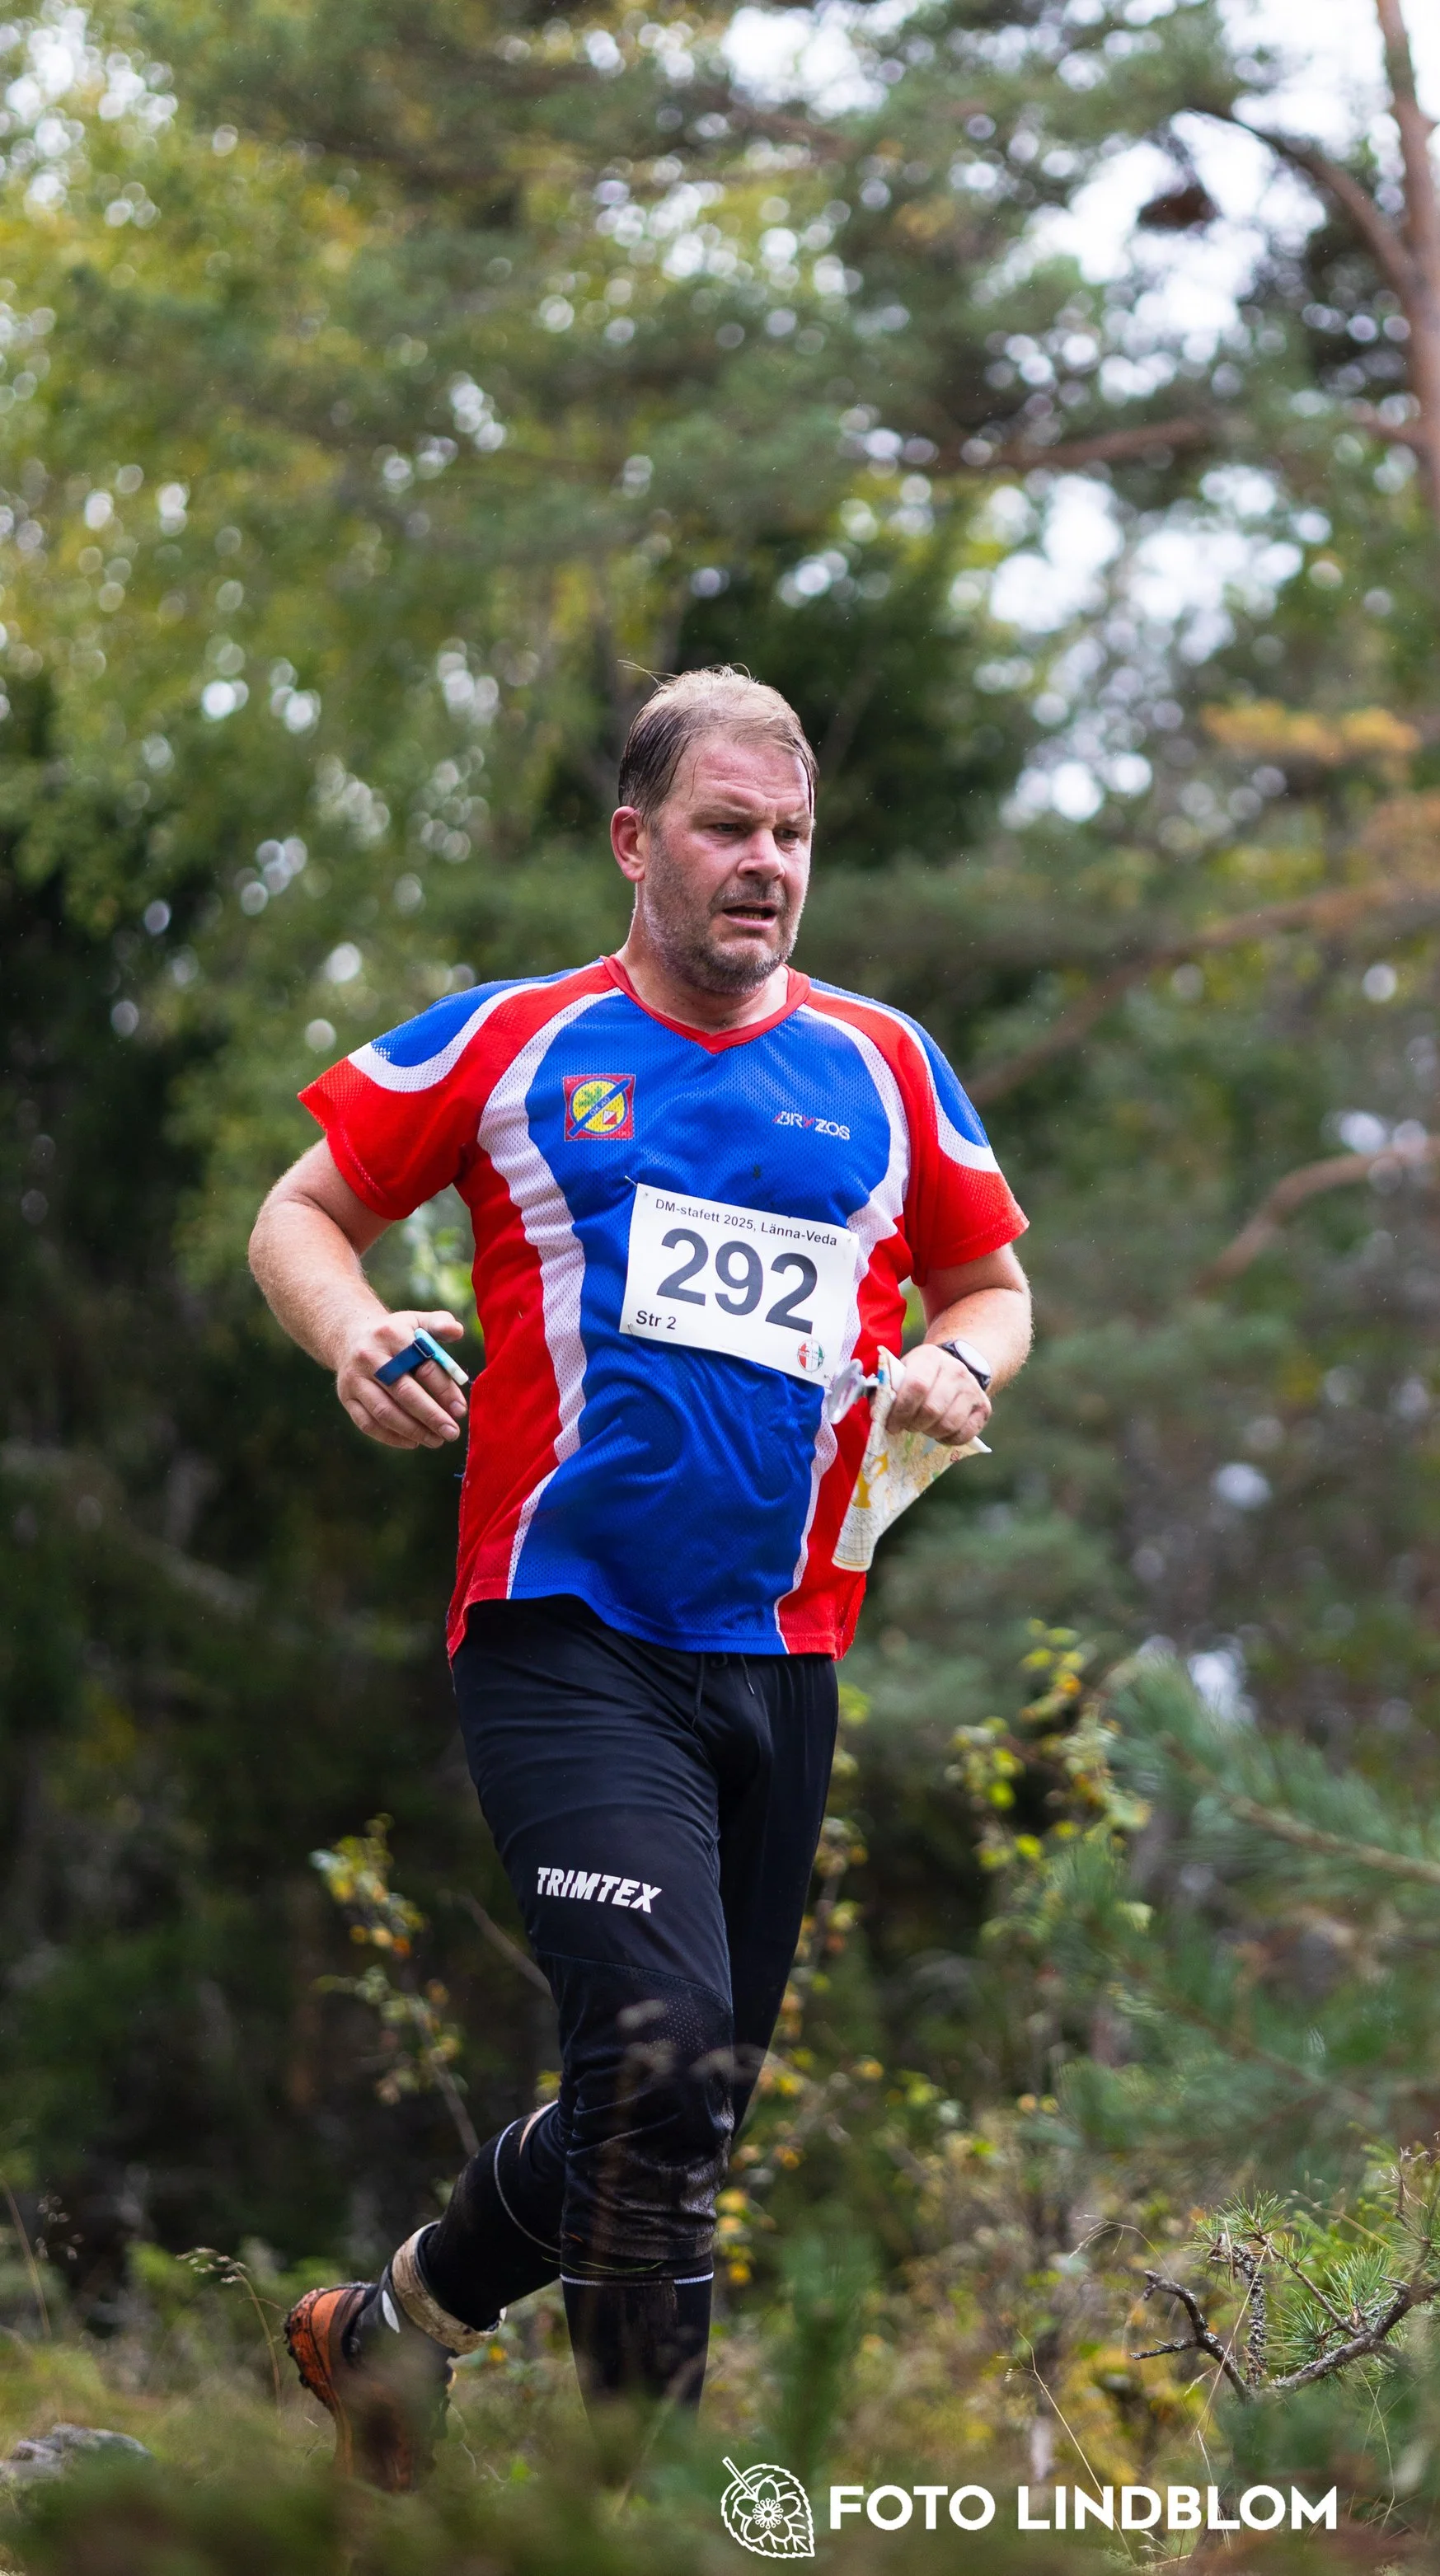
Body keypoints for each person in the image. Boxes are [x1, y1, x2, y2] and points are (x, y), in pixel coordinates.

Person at [247, 667, 1030, 2487]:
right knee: (661, 2067)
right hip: (563, 1634)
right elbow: (303, 1209)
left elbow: (991, 1281)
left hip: (785, 1649)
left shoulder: (884, 1064)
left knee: (670, 2105)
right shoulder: (517, 1042)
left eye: (790, 836)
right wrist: (356, 1335)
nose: (763, 866)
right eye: (724, 828)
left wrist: (962, 1366)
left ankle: (391, 2331)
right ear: (633, 841)